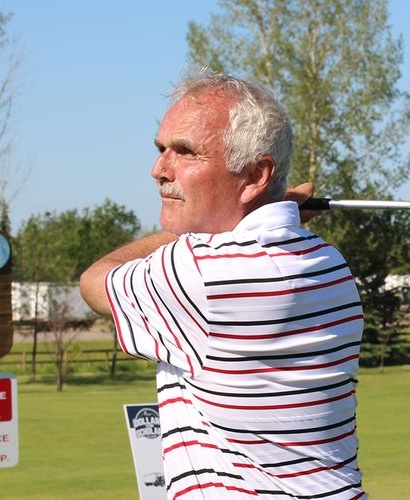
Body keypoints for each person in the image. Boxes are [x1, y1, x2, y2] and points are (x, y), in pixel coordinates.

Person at [80, 73, 366, 499]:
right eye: (162, 150)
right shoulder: (330, 264)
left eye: (186, 152)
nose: (159, 170)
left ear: (255, 175)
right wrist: (278, 211)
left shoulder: (199, 273)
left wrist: (278, 206)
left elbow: (94, 282)